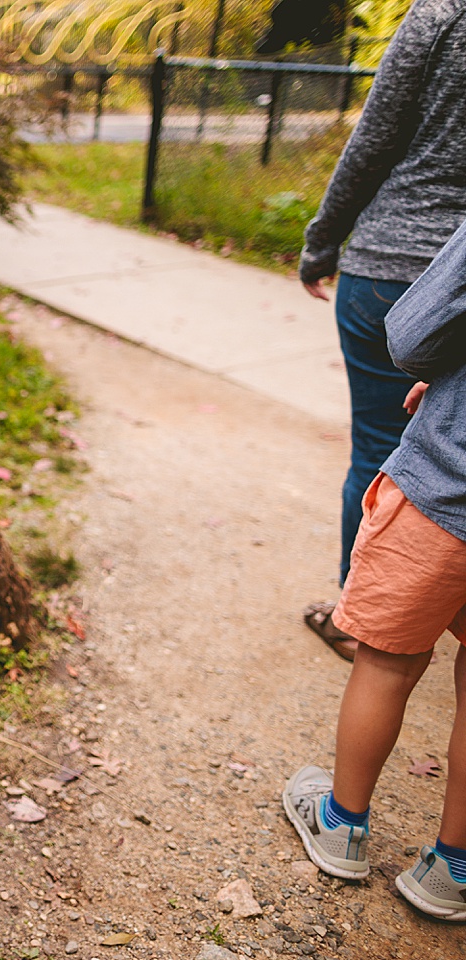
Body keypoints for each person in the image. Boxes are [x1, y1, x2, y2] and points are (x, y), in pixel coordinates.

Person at [284, 218, 466, 921]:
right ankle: (453, 868)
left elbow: (415, 333)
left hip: (444, 488)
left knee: (388, 662)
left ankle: (342, 824)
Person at [297, 0, 466, 661]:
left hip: (394, 269)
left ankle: (359, 619)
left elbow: (376, 137)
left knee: (379, 447)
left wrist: (321, 241)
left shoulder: (444, 12)